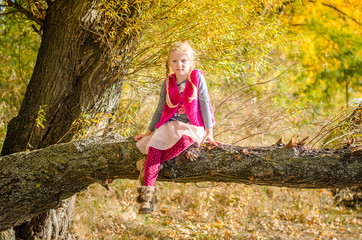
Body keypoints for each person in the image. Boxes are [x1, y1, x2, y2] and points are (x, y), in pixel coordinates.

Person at [134, 41, 221, 214]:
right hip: (170, 123)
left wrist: (209, 132)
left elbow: (205, 103)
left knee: (184, 142)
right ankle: (147, 197)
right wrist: (149, 131)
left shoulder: (196, 78)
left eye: (183, 61)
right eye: (174, 61)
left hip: (190, 125)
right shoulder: (167, 83)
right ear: (168, 63)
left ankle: (149, 166)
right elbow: (160, 108)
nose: (179, 64)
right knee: (154, 147)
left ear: (191, 62)